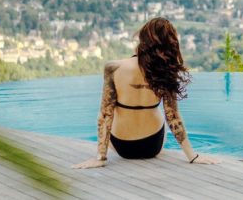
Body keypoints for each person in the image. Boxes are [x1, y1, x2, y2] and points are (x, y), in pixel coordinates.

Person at [73, 17, 218, 168]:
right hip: (152, 145)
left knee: (112, 111)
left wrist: (100, 158)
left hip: (122, 146)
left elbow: (105, 114)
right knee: (161, 114)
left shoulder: (113, 67)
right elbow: (173, 117)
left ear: (142, 37)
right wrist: (192, 156)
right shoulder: (165, 72)